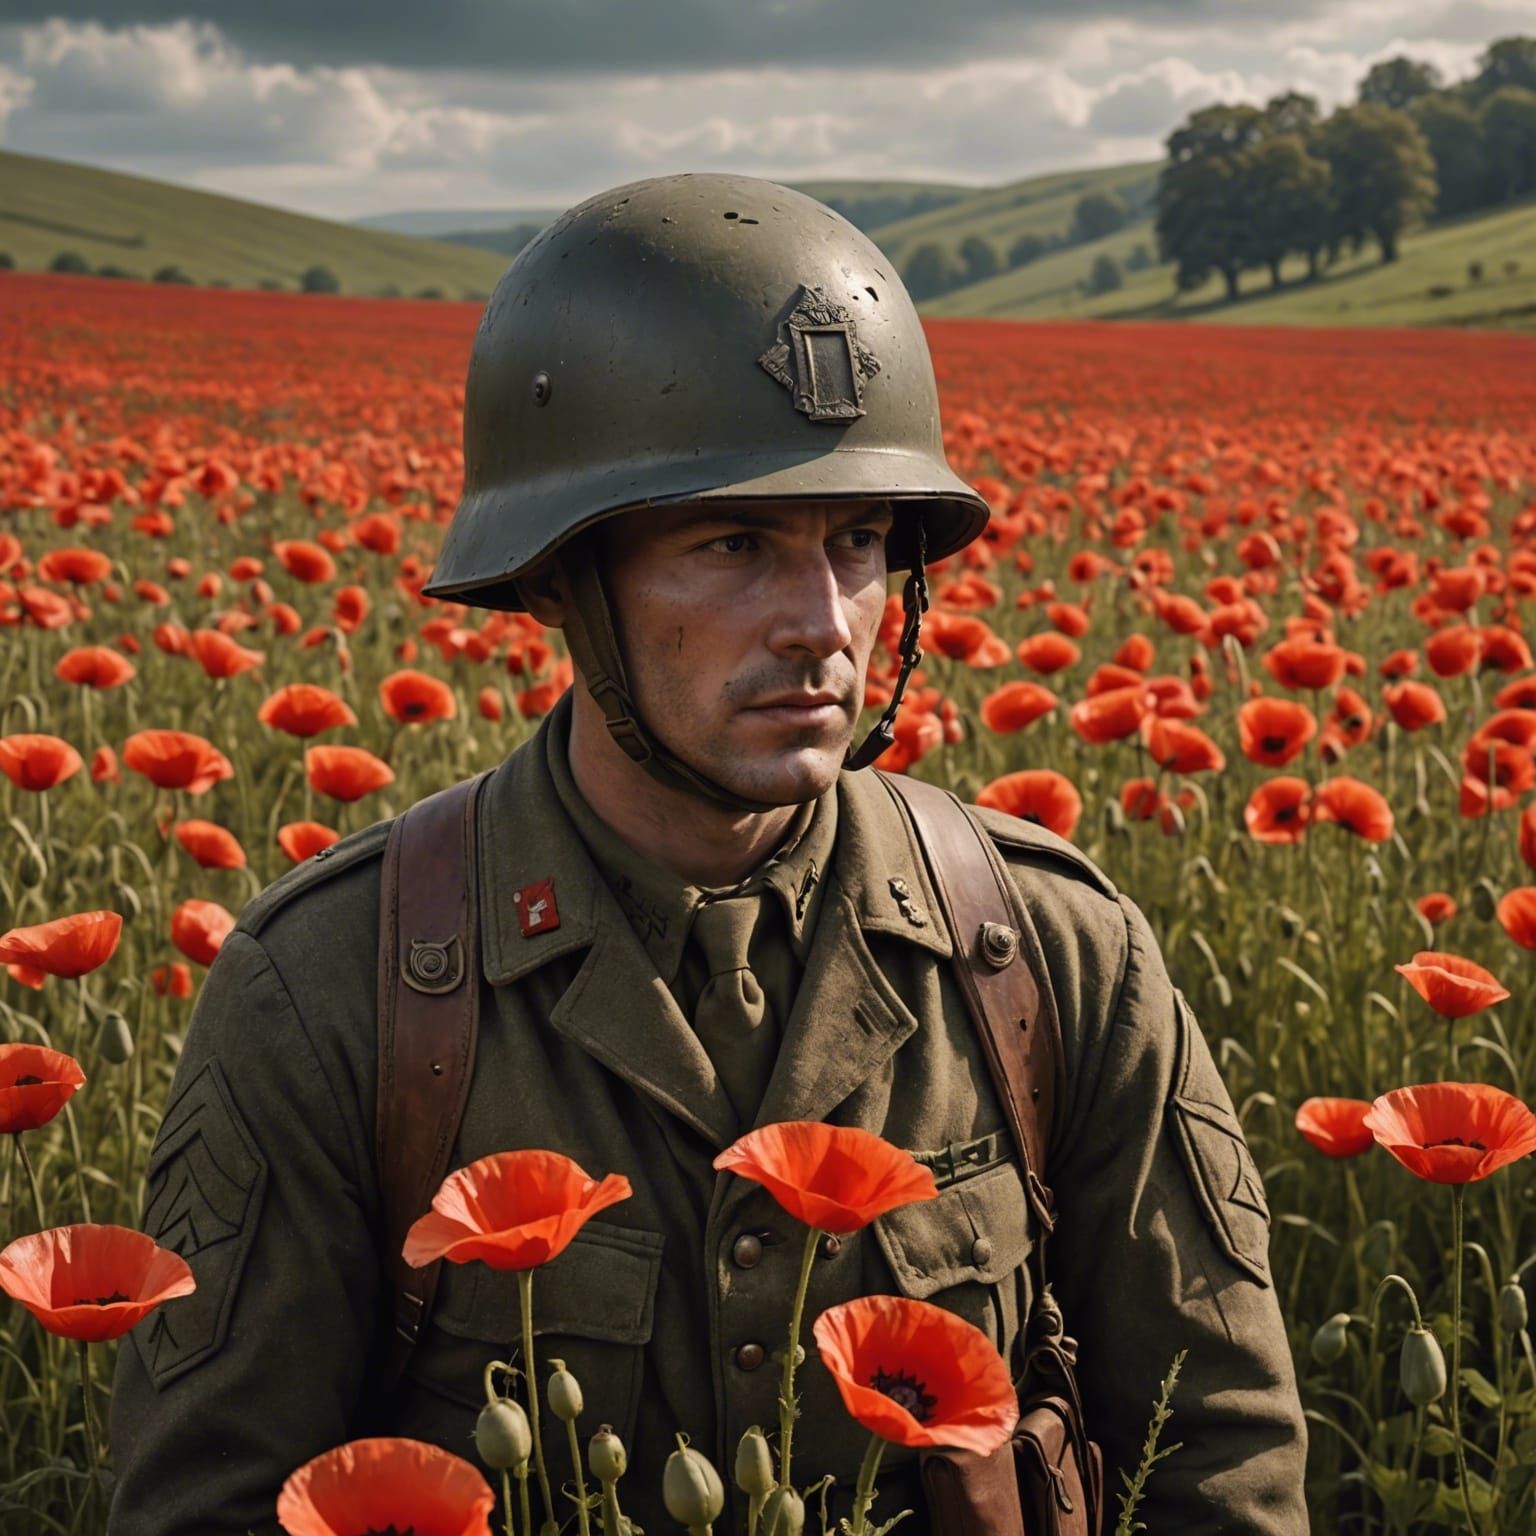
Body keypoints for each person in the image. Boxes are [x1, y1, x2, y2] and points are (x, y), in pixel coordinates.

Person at [108, 173, 1308, 1535]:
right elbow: (203, 1503)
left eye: (857, 542)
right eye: (733, 544)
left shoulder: (1048, 957)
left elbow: (1219, 1461)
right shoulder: (337, 992)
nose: (821, 622)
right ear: (561, 577)